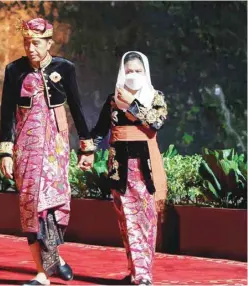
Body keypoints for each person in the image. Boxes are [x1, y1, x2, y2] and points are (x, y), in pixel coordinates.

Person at [0, 18, 93, 285]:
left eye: (36, 43)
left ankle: (55, 259)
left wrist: (86, 147)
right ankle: (42, 272)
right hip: (26, 149)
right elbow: (7, 114)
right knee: (31, 207)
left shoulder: (65, 68)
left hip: (56, 148)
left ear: (49, 43)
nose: (31, 48)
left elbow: (76, 107)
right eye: (27, 43)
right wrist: (6, 152)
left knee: (52, 206)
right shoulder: (14, 70)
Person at [86, 51, 168, 285]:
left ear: (146, 73)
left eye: (138, 71)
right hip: (119, 167)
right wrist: (86, 150)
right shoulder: (112, 100)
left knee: (145, 219)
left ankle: (143, 275)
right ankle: (135, 272)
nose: (133, 75)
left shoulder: (156, 97)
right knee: (127, 221)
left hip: (146, 168)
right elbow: (100, 131)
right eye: (129, 71)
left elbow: (156, 122)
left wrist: (131, 105)